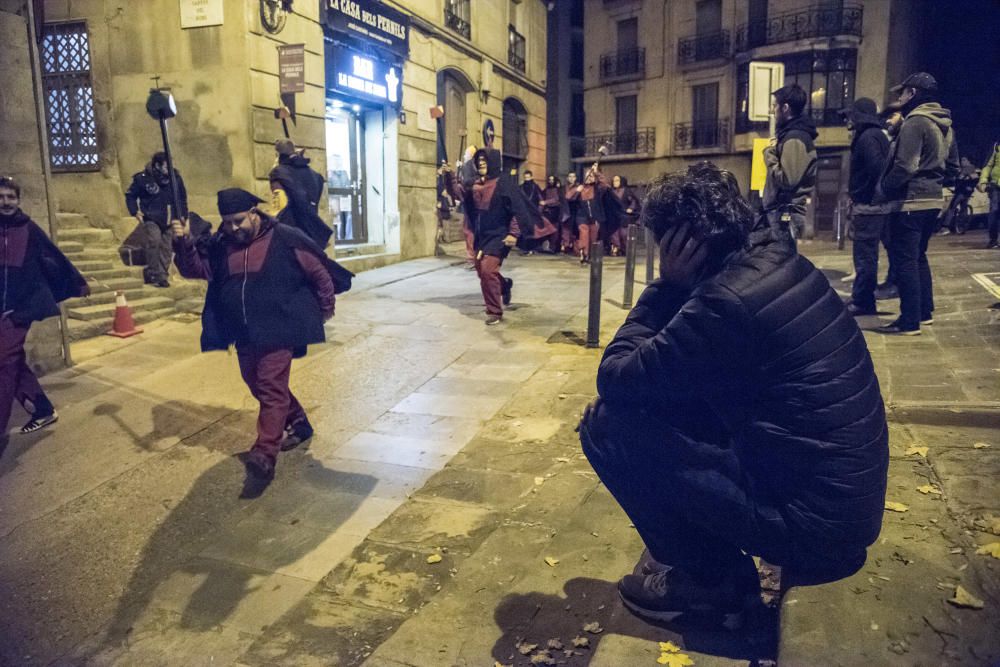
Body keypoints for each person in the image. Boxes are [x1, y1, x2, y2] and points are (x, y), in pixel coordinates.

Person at [578, 163, 888, 626]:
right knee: (670, 405)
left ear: (681, 243)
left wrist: (665, 285)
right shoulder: (775, 260)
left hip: (811, 523)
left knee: (605, 425)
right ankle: (702, 553)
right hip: (839, 503)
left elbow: (616, 377)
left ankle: (710, 580)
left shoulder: (725, 300)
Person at [171, 188, 336, 491]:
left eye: (238, 221)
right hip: (244, 331)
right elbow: (197, 270)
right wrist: (183, 242)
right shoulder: (222, 244)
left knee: (271, 387)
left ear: (253, 213)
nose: (233, 228)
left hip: (279, 327)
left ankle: (265, 453)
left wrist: (324, 309)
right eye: (227, 222)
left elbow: (319, 272)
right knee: (257, 383)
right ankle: (299, 422)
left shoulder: (285, 238)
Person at [1, 177, 89, 441]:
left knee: (3, 361)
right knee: (12, 360)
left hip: (20, 309)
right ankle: (42, 409)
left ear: (18, 200)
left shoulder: (28, 229)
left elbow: (53, 258)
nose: (5, 202)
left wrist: (77, 283)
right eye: (1, 197)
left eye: (10, 197)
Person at [875, 72, 959, 336]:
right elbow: (953, 167)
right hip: (932, 200)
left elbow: (905, 165)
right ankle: (924, 313)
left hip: (911, 200)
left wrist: (883, 189)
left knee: (905, 260)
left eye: (902, 92)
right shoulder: (946, 125)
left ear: (913, 93)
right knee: (918, 256)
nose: (899, 97)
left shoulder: (915, 122)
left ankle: (910, 320)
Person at [443, 148, 540, 325]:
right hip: (482, 235)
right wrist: (449, 176)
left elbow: (517, 210)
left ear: (493, 163)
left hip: (499, 235)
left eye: (485, 161)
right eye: (479, 161)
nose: (481, 164)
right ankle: (505, 285)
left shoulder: (505, 184)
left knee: (488, 269)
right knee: (483, 271)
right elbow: (457, 193)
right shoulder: (474, 184)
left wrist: (514, 233)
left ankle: (494, 311)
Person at [841, 98, 890, 316]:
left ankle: (862, 301)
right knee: (867, 256)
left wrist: (865, 193)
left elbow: (877, 168)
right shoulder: (876, 135)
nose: (848, 120)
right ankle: (863, 299)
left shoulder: (868, 137)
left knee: (865, 257)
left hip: (869, 208)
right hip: (874, 206)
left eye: (851, 115)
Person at [762, 85, 818, 246]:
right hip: (782, 213)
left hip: (786, 215)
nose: (772, 111)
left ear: (785, 108)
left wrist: (769, 154)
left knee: (782, 262)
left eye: (775, 106)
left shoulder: (795, 139)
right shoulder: (790, 135)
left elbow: (788, 180)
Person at [124, 151, 188, 287]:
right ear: (157, 165)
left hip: (170, 217)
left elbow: (182, 197)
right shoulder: (143, 178)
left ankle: (162, 275)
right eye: (166, 166)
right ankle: (153, 273)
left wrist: (183, 215)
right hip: (151, 217)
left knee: (166, 247)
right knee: (154, 240)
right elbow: (130, 195)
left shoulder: (175, 178)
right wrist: (135, 211)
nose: (169, 168)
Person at [269, 140, 334, 248]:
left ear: (277, 155)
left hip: (289, 235)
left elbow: (279, 206)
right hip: (312, 234)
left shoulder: (279, 173)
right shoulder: (315, 176)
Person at [567, 164, 621, 264]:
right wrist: (576, 191)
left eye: (592, 176)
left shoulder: (598, 189)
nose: (589, 177)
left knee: (593, 236)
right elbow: (569, 197)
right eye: (588, 176)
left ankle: (590, 255)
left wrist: (596, 172)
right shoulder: (579, 188)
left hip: (595, 216)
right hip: (581, 215)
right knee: (583, 231)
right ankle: (584, 253)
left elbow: (605, 185)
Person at [517, 170, 556, 254]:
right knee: (525, 230)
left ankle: (532, 248)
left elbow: (540, 199)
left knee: (534, 231)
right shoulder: (520, 187)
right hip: (524, 212)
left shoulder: (535, 187)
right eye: (525, 177)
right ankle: (526, 249)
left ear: (531, 177)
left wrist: (539, 210)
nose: (527, 179)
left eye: (528, 177)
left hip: (534, 212)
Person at [609, 175, 641, 256]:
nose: (615, 182)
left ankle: (626, 250)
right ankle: (616, 249)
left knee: (624, 234)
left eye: (617, 180)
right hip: (614, 216)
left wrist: (631, 208)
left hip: (624, 215)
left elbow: (633, 201)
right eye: (614, 181)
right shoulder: (611, 192)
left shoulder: (626, 191)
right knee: (614, 235)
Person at [978, 141, 1000, 248]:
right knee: (994, 211)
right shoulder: (996, 146)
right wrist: (983, 180)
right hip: (995, 185)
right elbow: (988, 165)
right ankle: (993, 240)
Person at [542, 175, 571, 254]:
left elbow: (557, 199)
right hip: (548, 212)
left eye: (552, 179)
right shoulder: (546, 190)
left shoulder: (559, 190)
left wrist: (546, 202)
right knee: (549, 230)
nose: (551, 181)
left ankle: (554, 247)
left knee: (556, 230)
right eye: (549, 179)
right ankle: (550, 247)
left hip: (556, 211)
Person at [563, 172, 581, 254]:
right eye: (570, 176)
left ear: (575, 178)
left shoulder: (579, 187)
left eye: (573, 176)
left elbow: (573, 198)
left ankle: (575, 248)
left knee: (575, 229)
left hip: (575, 209)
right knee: (566, 228)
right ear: (567, 178)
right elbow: (565, 197)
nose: (571, 178)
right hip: (566, 209)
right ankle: (566, 245)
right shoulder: (564, 187)